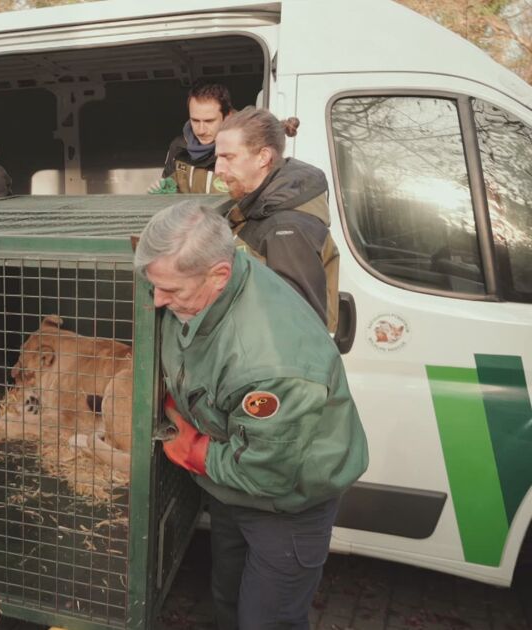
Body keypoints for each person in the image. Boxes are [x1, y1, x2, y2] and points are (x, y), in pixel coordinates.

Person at [134, 200, 368, 630]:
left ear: (219, 275)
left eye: (173, 291)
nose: (159, 301)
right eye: (156, 286)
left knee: (267, 620)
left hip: (286, 505)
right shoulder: (214, 281)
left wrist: (195, 452)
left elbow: (268, 470)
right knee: (227, 597)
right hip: (230, 492)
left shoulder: (272, 364)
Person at [213, 108, 340, 330]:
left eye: (228, 157)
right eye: (217, 158)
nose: (218, 169)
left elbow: (298, 329)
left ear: (263, 157)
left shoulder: (287, 229)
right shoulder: (258, 211)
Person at [154, 82, 234, 194]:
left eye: (209, 121)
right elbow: (169, 192)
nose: (201, 130)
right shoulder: (179, 147)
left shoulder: (244, 149)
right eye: (195, 121)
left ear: (227, 117)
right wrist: (166, 193)